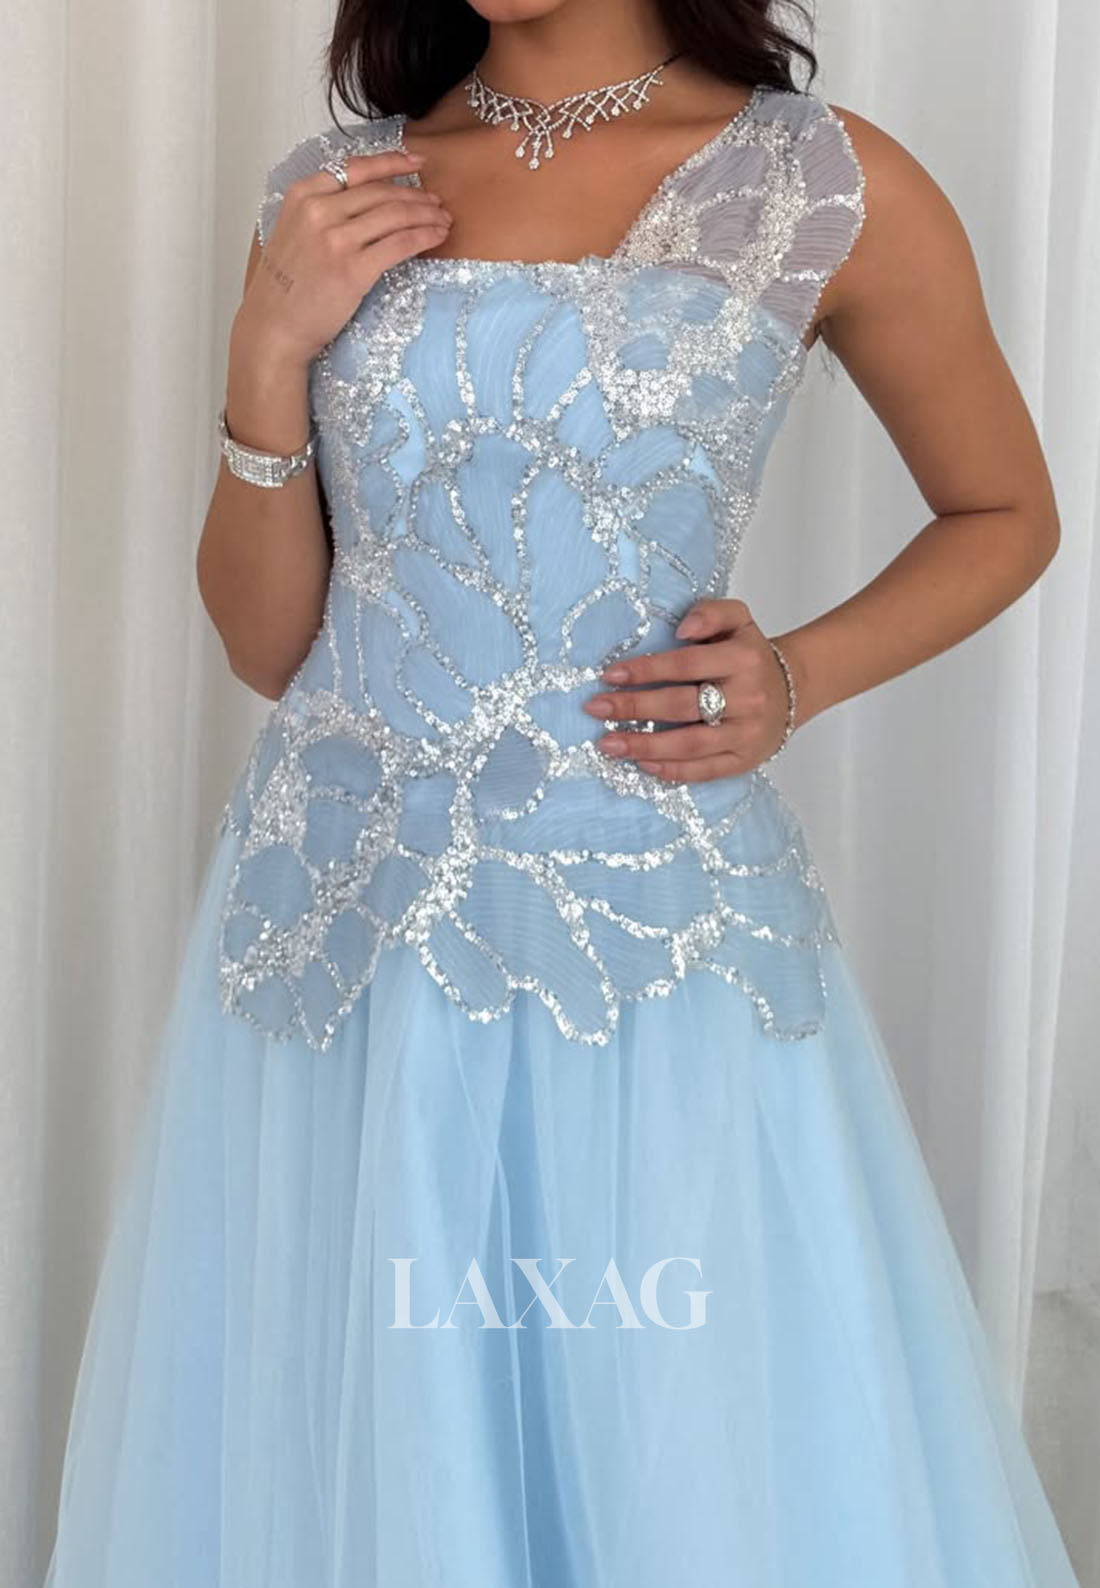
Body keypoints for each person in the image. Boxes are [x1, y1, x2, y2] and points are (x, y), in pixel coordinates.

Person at [43, 0, 1081, 1584]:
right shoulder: (337, 188)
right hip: (348, 931)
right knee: (363, 1439)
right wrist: (268, 352)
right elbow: (267, 646)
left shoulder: (819, 181)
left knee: (667, 1428)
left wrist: (797, 673)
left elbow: (1005, 509)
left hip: (641, 937)